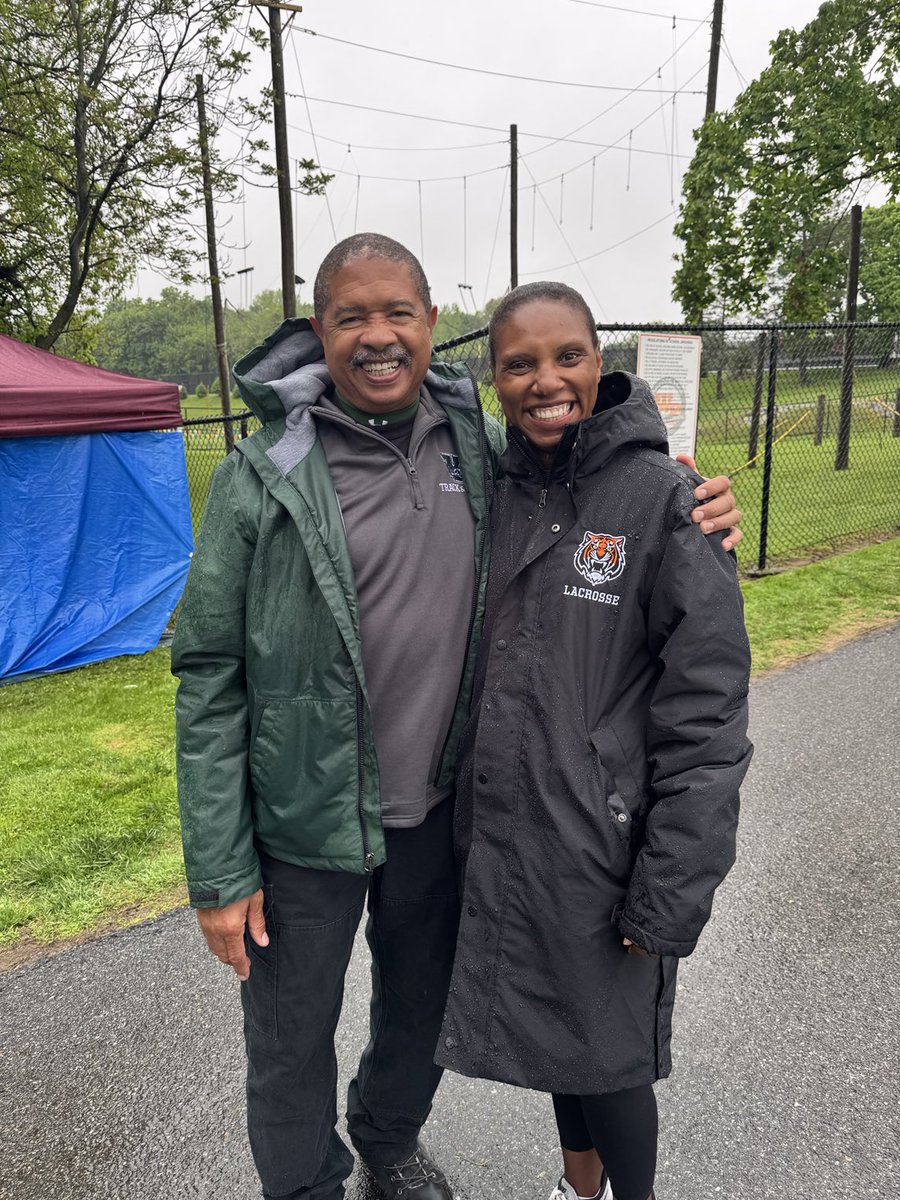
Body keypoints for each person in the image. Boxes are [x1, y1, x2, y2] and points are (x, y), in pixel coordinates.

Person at [171, 236, 743, 1200]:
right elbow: (208, 673)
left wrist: (694, 503)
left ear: (433, 325)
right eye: (352, 317)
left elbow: (590, 478)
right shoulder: (261, 473)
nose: (378, 336)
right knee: (290, 1037)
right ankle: (306, 1187)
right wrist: (221, 869)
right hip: (301, 827)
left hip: (440, 816)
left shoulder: (477, 447)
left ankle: (387, 1141)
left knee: (419, 1009)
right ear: (319, 330)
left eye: (398, 312)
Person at [435, 282, 753, 1200]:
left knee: (609, 1057)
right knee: (558, 1037)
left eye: (566, 356)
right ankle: (582, 1190)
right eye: (519, 364)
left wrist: (670, 886)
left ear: (599, 361)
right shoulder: (492, 492)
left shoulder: (666, 498)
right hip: (510, 828)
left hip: (606, 846)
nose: (546, 381)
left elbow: (707, 715)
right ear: (494, 378)